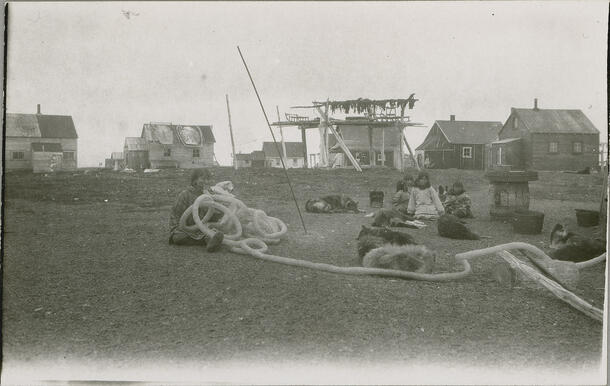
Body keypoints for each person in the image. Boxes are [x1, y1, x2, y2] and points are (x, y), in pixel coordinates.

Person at [169, 168, 224, 251]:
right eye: (203, 178)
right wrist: (180, 228)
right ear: (195, 180)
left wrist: (214, 202)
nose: (205, 181)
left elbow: (213, 215)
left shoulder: (209, 196)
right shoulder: (185, 195)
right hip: (183, 229)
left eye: (207, 179)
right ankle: (206, 241)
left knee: (214, 231)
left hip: (200, 228)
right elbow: (176, 215)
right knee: (178, 237)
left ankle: (209, 240)